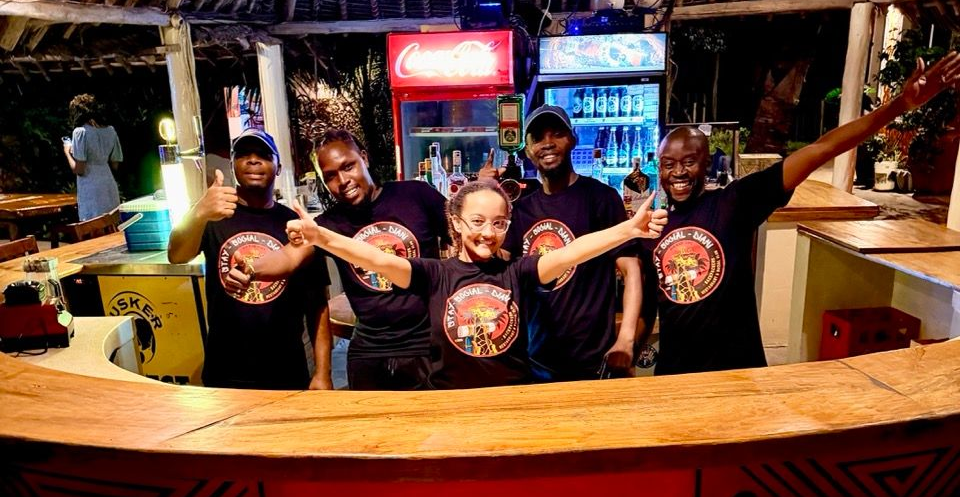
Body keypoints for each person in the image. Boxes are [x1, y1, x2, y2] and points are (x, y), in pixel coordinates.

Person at [641, 52, 960, 376]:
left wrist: (898, 106)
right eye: (669, 164)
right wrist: (627, 345)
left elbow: (820, 149)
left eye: (689, 161)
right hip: (674, 377)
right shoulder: (653, 225)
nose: (678, 172)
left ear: (707, 164)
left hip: (738, 375)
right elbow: (646, 304)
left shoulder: (735, 202)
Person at [285, 180, 668, 389]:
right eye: (478, 221)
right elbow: (376, 259)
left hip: (514, 401)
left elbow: (573, 252)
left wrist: (627, 228)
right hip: (449, 403)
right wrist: (321, 236)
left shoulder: (518, 271)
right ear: (455, 222)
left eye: (499, 223)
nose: (488, 233)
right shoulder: (434, 274)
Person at [229, 130, 450, 391]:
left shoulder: (415, 195)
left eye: (348, 166)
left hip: (428, 346)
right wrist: (250, 268)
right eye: (331, 176)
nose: (343, 181)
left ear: (364, 158)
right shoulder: (329, 225)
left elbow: (462, 234)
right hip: (369, 353)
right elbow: (289, 256)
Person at [167, 128, 331, 390]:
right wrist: (198, 212)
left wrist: (323, 372)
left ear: (278, 167)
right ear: (232, 164)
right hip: (225, 372)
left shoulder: (295, 224)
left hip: (287, 371)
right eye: (244, 154)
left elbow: (318, 306)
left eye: (264, 155)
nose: (253, 160)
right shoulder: (214, 217)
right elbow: (176, 255)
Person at [493, 105, 643, 381]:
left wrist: (626, 339)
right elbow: (494, 265)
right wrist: (486, 194)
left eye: (557, 134)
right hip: (538, 361)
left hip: (595, 361)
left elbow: (630, 270)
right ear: (527, 150)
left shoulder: (600, 198)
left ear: (572, 139)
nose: (547, 143)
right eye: (538, 138)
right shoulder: (523, 210)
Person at [62, 94, 122, 221]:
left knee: (93, 226)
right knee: (112, 223)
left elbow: (79, 169)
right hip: (108, 183)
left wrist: (67, 152)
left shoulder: (80, 132)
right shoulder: (111, 131)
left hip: (91, 187)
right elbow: (115, 164)